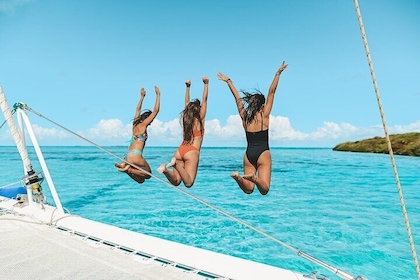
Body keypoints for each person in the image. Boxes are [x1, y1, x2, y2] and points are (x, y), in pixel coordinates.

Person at [217, 61, 288, 195]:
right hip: (263, 153)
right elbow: (272, 91)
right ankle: (254, 178)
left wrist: (229, 82)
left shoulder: (245, 117)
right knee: (264, 189)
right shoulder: (264, 115)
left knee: (248, 189)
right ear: (261, 105)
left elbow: (237, 99)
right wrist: (278, 74)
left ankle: (238, 178)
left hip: (249, 154)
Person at [157, 77, 209, 188]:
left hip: (180, 150)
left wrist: (188, 87)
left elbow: (186, 102)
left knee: (176, 181)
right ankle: (174, 164)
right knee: (188, 183)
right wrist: (206, 84)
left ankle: (166, 170)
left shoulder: (186, 119)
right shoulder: (200, 118)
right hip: (192, 151)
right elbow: (204, 99)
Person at [115, 86, 160, 184]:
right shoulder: (143, 125)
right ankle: (128, 170)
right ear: (147, 119)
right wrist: (158, 95)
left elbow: (137, 110)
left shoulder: (134, 124)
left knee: (141, 180)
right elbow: (156, 111)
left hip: (127, 156)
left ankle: (125, 167)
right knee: (148, 175)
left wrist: (142, 97)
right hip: (136, 155)